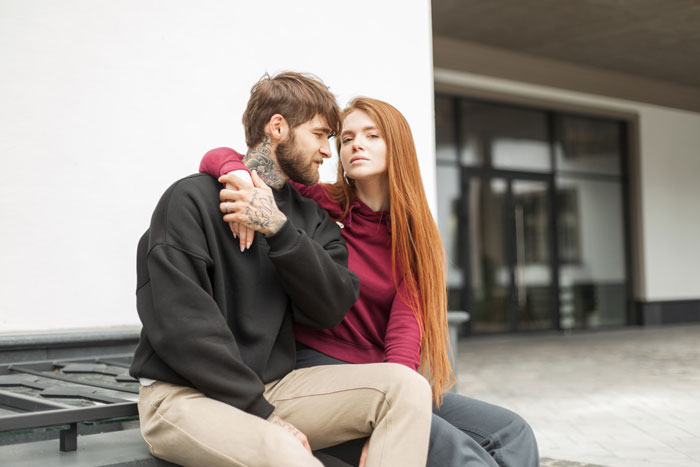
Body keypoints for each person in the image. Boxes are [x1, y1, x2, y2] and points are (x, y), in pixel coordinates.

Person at [201, 97, 540, 467]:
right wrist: (237, 176)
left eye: (371, 135)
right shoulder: (314, 204)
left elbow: (405, 330)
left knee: (511, 431)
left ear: (397, 147)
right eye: (345, 139)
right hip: (313, 367)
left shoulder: (416, 236)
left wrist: (396, 411)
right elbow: (220, 156)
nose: (355, 145)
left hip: (385, 376)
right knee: (454, 450)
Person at [130, 73, 433, 467]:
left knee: (406, 386)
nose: (328, 152)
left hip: (276, 387)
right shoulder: (190, 200)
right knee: (286, 453)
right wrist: (264, 414)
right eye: (321, 135)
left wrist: (278, 229)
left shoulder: (310, 218)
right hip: (183, 395)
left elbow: (331, 306)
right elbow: (183, 327)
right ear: (278, 128)